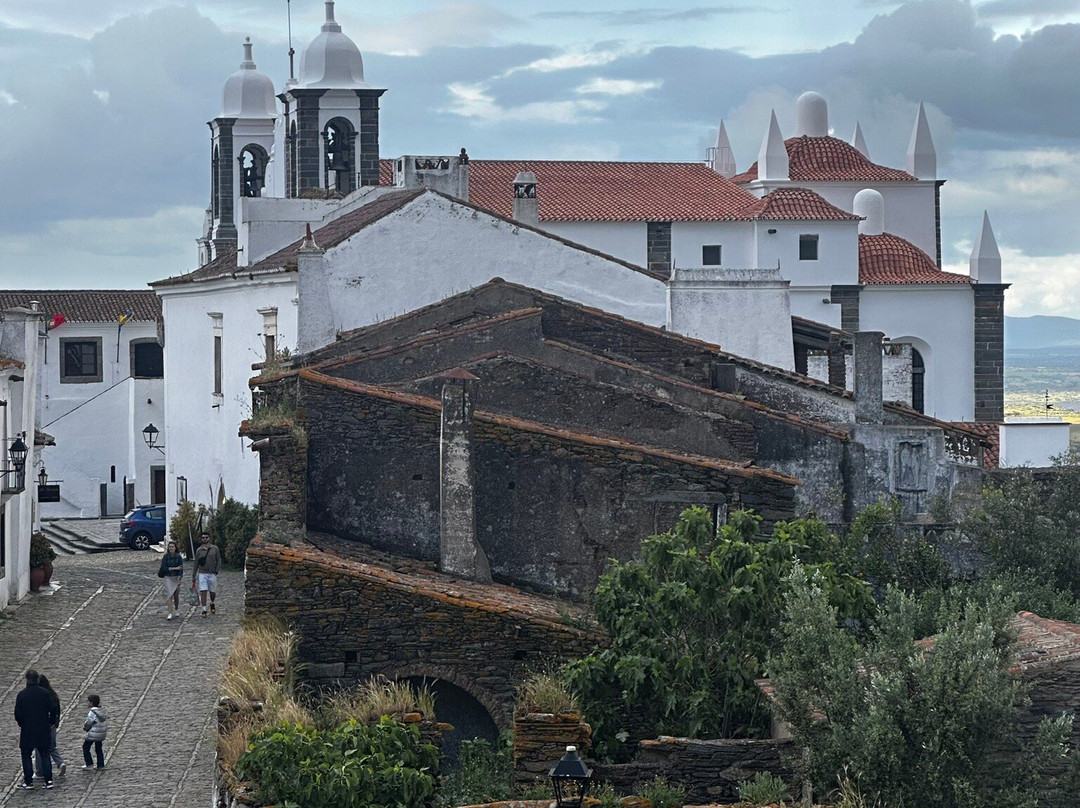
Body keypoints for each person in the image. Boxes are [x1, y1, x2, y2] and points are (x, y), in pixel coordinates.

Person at [14, 669, 58, 790]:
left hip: (27, 729)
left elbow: (17, 713)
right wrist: (51, 722)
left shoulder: (22, 694)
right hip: (42, 728)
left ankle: (28, 782)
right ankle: (48, 780)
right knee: (45, 754)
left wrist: (22, 723)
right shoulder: (45, 693)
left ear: (27, 679)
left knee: (26, 755)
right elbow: (53, 709)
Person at [34, 674, 66, 779]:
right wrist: (56, 722)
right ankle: (60, 763)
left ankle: (40, 771)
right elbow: (57, 710)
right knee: (52, 746)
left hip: (43, 726)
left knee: (40, 748)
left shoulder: (41, 696)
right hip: (52, 725)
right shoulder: (53, 695)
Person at [192, 533, 221, 617]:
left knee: (212, 592)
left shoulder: (215, 549)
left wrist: (216, 570)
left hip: (212, 573)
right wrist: (194, 575)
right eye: (203, 538)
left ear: (209, 538)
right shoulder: (199, 550)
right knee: (203, 591)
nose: (204, 539)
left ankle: (212, 602)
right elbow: (196, 563)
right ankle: (204, 609)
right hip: (202, 573)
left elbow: (218, 560)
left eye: (206, 537)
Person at [159, 540, 185, 619]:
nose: (171, 548)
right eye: (170, 547)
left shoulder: (178, 557)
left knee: (176, 595)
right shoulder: (166, 557)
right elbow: (164, 568)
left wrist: (180, 578)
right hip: (168, 578)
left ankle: (176, 609)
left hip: (176, 577)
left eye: (172, 547)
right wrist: (174, 568)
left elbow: (181, 568)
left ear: (175, 548)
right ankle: (170, 612)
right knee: (169, 595)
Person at [81, 694, 107, 770]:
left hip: (93, 733)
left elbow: (89, 722)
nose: (87, 703)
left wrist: (85, 728)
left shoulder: (92, 712)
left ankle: (89, 764)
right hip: (101, 733)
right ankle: (100, 765)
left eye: (88, 702)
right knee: (98, 748)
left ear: (91, 703)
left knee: (86, 747)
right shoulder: (102, 711)